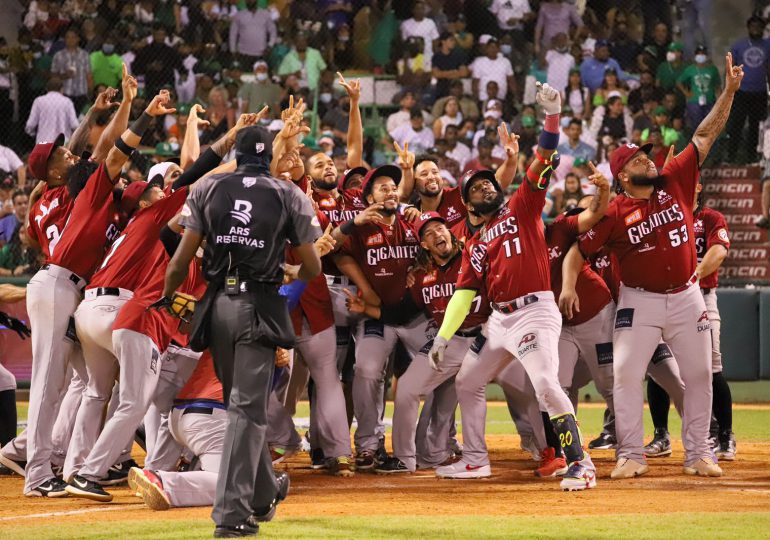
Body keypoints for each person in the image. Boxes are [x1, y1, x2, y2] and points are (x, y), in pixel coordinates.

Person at [577, 53, 743, 480]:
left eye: (647, 157)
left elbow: (704, 136)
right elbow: (579, 248)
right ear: (622, 176)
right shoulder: (612, 212)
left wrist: (728, 92)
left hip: (688, 295)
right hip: (639, 301)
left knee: (701, 374)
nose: (648, 161)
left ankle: (699, 452)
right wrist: (567, 282)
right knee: (626, 376)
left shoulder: (674, 180)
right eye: (638, 160)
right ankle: (631, 454)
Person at [429, 83, 598, 491]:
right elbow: (465, 293)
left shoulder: (522, 205)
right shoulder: (474, 243)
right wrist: (443, 335)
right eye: (475, 188)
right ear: (467, 204)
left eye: (488, 183)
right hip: (499, 321)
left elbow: (542, 160)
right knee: (467, 381)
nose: (485, 187)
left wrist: (553, 117)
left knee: (544, 384)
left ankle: (581, 462)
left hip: (535, 311)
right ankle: (475, 460)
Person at [157, 123, 321, 537]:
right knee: (247, 412)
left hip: (217, 308)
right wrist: (292, 269)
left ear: (238, 152)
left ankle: (263, 494)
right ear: (268, 157)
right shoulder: (289, 194)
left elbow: (179, 259)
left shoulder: (207, 189)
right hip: (258, 306)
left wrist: (168, 296)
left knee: (239, 409)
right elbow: (314, 266)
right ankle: (230, 517)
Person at [644, 182, 734, 461]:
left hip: (701, 297)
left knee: (711, 367)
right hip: (663, 297)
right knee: (658, 364)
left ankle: (724, 436)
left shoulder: (710, 218)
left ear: (698, 186)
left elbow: (718, 251)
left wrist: (692, 275)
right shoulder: (662, 217)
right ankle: (661, 435)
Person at [726, 15, 770, 164]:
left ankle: (752, 157)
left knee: (756, 126)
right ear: (748, 28)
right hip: (741, 92)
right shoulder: (739, 46)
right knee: (736, 124)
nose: (756, 29)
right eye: (753, 26)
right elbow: (731, 69)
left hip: (760, 92)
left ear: (763, 29)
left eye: (759, 27)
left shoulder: (768, 45)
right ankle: (731, 156)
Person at [132, 25, 183, 97]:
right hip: (151, 86)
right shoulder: (145, 51)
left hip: (167, 86)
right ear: (153, 35)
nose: (160, 37)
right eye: (158, 35)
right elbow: (135, 68)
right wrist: (149, 67)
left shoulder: (170, 52)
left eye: (163, 35)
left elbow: (180, 67)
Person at [677, 46, 721, 131]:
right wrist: (686, 93)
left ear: (707, 56)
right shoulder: (690, 69)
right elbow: (679, 81)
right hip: (694, 101)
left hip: (710, 101)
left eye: (703, 54)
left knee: (710, 125)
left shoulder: (713, 69)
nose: (701, 56)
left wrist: (720, 100)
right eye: (699, 54)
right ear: (695, 56)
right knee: (697, 126)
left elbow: (717, 85)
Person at [25, 77, 79, 144]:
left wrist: (33, 134)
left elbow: (30, 125)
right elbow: (74, 125)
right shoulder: (67, 102)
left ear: (47, 89)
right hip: (63, 143)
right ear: (62, 89)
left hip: (43, 142)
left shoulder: (39, 101)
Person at [51, 28, 92, 112]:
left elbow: (89, 75)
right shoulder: (58, 56)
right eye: (67, 37)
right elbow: (53, 77)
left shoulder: (85, 55)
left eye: (73, 37)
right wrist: (64, 75)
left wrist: (90, 93)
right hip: (65, 93)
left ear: (78, 39)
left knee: (80, 121)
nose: (70, 40)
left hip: (82, 94)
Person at [228, 0, 277, 67]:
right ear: (245, 2)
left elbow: (273, 31)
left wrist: (270, 45)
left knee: (260, 76)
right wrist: (233, 50)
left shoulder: (265, 14)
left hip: (261, 54)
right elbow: (233, 34)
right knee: (244, 76)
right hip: (243, 54)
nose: (250, 1)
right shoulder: (239, 15)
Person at [470, 36, 515, 102]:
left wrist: (515, 95)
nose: (492, 50)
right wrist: (475, 98)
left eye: (495, 47)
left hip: (501, 98)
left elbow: (511, 80)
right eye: (490, 47)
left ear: (498, 49)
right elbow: (475, 82)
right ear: (486, 49)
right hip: (483, 99)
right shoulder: (479, 62)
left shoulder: (505, 62)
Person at [400, 1, 439, 67]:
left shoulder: (430, 23)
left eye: (422, 9)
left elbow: (435, 42)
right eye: (418, 8)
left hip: (427, 58)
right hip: (412, 59)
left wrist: (436, 58)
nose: (420, 11)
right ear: (413, 10)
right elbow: (404, 44)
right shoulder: (405, 24)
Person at [431, 32, 469, 100]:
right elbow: (436, 74)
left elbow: (464, 73)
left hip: (456, 86)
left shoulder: (458, 55)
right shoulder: (436, 56)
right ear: (443, 42)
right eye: (451, 40)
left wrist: (444, 74)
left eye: (454, 40)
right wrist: (454, 72)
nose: (453, 42)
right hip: (441, 87)